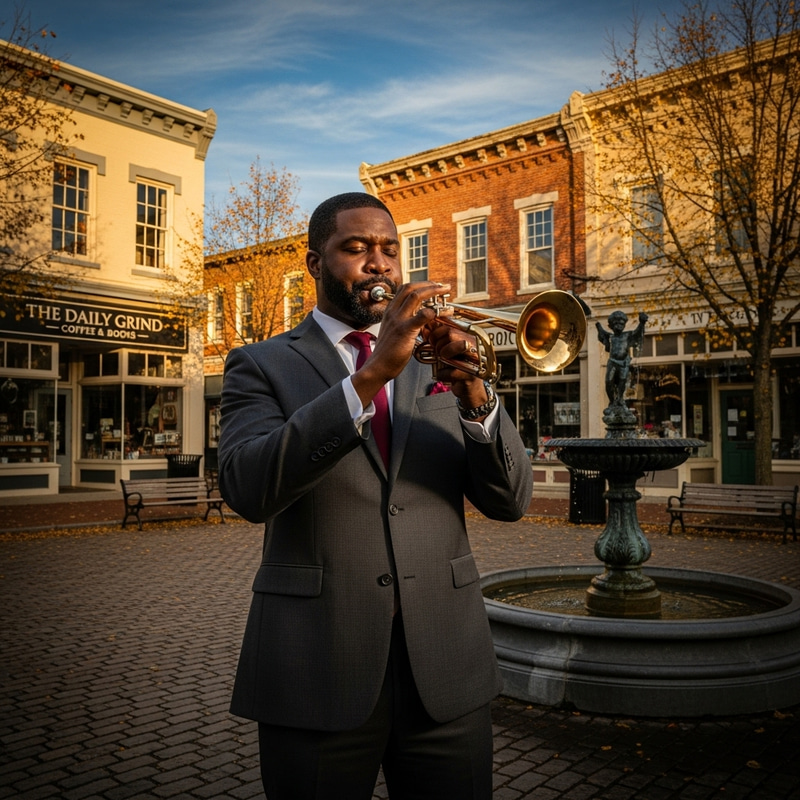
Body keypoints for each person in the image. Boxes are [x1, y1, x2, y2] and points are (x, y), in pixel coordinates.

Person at [218, 192, 533, 800]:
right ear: (315, 264)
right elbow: (248, 488)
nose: (379, 263)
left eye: (390, 249)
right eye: (356, 248)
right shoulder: (259, 364)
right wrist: (370, 378)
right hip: (316, 666)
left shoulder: (440, 359)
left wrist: (475, 395)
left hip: (445, 666)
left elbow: (511, 499)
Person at [596, 310, 648, 408]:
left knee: (622, 381)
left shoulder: (627, 335)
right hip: (612, 361)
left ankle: (620, 399)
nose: (618, 325)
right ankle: (612, 401)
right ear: (611, 325)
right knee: (608, 381)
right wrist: (596, 324)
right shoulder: (610, 337)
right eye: (615, 323)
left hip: (623, 362)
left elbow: (637, 333)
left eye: (621, 323)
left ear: (624, 324)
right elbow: (601, 332)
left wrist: (642, 323)